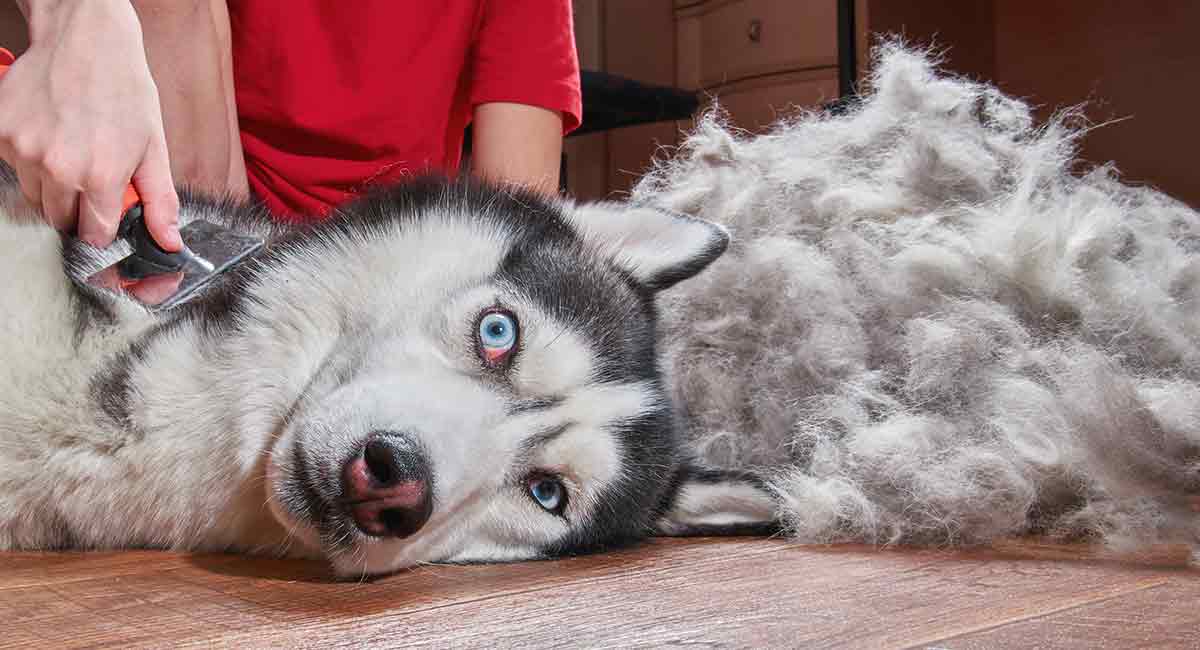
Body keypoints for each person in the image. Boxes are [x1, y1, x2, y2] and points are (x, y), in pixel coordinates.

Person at [0, 0, 581, 254]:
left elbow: (516, 220)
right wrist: (76, 15)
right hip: (222, 223)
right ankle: (194, 284)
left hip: (391, 260)